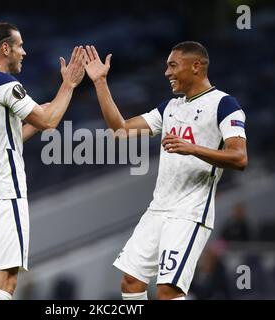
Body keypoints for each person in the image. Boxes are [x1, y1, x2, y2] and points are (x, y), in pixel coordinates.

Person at [83, 42, 248, 300]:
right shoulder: (170, 107)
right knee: (131, 283)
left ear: (196, 66)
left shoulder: (225, 105)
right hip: (158, 208)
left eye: (172, 65)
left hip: (189, 212)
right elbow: (121, 130)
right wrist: (101, 82)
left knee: (167, 292)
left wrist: (192, 148)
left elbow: (239, 157)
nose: (166, 73)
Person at [0, 20, 85, 300]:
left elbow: (10, 135)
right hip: (4, 190)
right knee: (6, 282)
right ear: (5, 48)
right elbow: (50, 120)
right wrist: (68, 85)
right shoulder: (3, 82)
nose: (24, 52)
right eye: (19, 46)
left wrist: (40, 118)